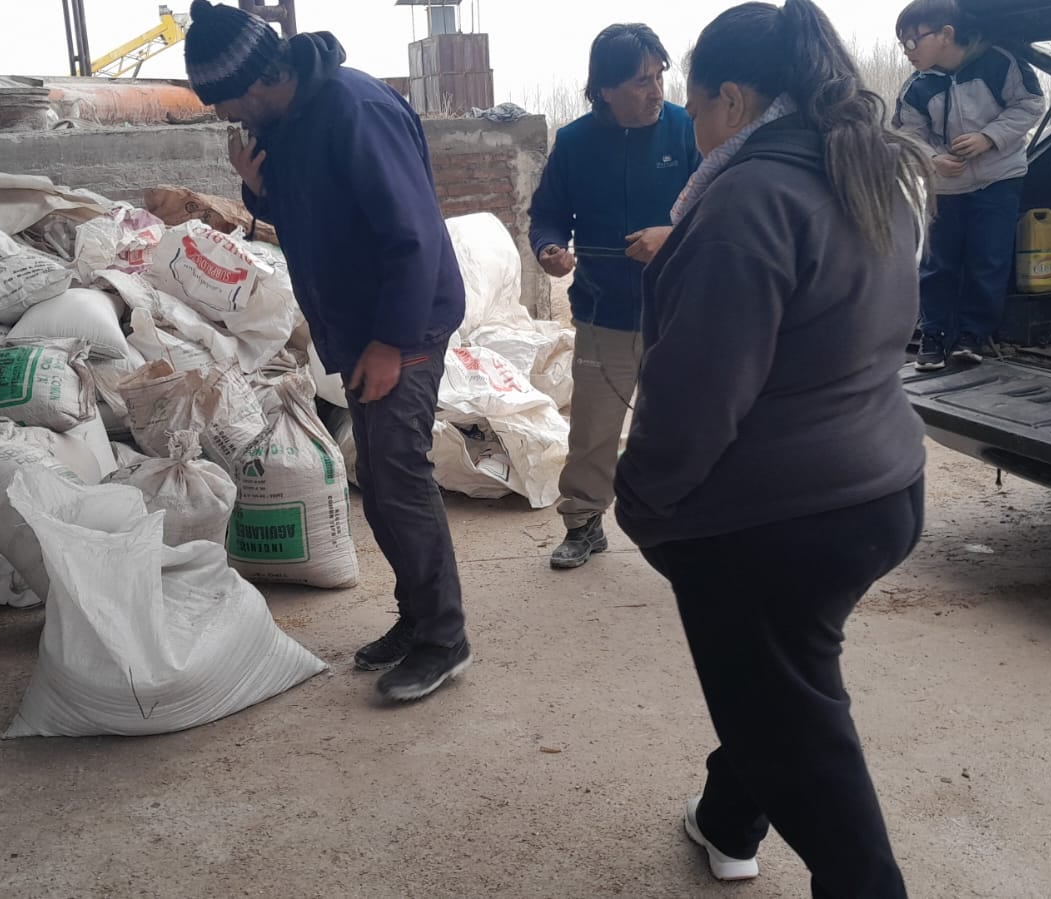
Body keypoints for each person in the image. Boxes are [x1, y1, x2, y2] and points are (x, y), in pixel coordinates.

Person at [614, 0, 933, 894]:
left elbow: (696, 394)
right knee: (782, 685)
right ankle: (726, 820)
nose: (694, 122)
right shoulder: (866, 170)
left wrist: (642, 500)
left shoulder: (748, 198)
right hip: (881, 485)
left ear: (734, 97)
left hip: (777, 516)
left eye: (696, 101)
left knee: (798, 729)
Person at [183, 0, 469, 702]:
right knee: (380, 477)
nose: (226, 118)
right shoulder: (292, 120)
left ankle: (443, 639)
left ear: (255, 82)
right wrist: (258, 187)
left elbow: (414, 237)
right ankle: (418, 618)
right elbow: (314, 212)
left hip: (402, 327)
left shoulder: (352, 110)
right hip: (363, 327)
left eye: (223, 103)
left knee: (398, 479)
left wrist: (389, 345)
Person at [528, 24, 700, 570]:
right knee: (594, 428)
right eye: (641, 81)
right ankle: (583, 523)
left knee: (685, 421)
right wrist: (549, 247)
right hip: (605, 311)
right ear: (604, 88)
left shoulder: (687, 131)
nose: (656, 92)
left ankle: (690, 522)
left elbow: (725, 208)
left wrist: (670, 237)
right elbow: (548, 213)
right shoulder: (575, 142)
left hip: (683, 310)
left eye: (659, 77)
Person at [894, 0, 1045, 371]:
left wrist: (989, 138)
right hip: (945, 187)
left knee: (988, 259)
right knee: (937, 263)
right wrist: (932, 160)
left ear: (946, 34)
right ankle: (933, 335)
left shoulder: (998, 63)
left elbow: (1029, 104)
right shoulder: (916, 85)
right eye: (902, 45)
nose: (907, 52)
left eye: (913, 42)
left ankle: (972, 337)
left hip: (998, 179)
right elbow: (907, 134)